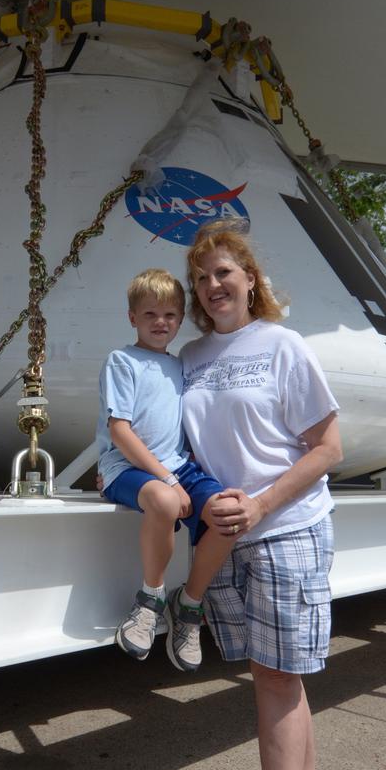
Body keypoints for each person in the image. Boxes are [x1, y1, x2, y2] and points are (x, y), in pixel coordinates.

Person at [180, 221, 342, 770]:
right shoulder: (186, 357)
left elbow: (328, 446)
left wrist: (262, 502)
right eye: (202, 278)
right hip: (224, 536)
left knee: (275, 678)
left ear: (249, 278)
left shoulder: (283, 345)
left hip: (286, 529)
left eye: (224, 272)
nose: (213, 286)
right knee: (273, 674)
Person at [97, 268, 239, 672]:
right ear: (132, 318)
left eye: (170, 316)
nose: (161, 323)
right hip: (127, 468)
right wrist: (168, 480)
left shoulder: (181, 365)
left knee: (229, 513)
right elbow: (120, 431)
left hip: (176, 467)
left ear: (180, 318)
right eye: (150, 315)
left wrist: (180, 476)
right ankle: (150, 599)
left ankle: (189, 603)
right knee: (162, 499)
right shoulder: (122, 361)